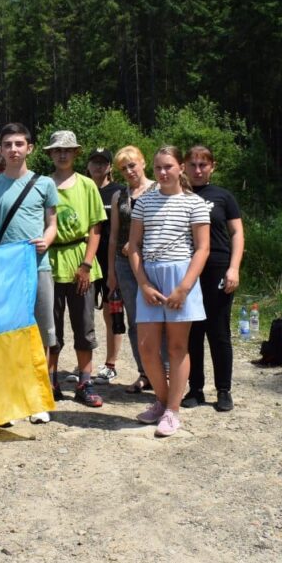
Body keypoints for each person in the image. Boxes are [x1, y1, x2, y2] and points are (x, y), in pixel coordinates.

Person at [0, 122, 58, 424]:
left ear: (30, 148)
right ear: (1, 149)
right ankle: (8, 401)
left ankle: (37, 399)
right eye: (8, 144)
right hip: (4, 271)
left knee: (41, 334)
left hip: (38, 267)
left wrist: (46, 240)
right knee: (6, 334)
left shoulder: (45, 184)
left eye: (19, 144)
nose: (13, 149)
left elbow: (52, 224)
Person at [128, 146, 211, 437]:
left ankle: (173, 411)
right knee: (147, 347)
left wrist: (184, 288)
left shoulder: (195, 203)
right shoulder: (144, 202)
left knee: (177, 348)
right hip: (150, 276)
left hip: (180, 277)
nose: (163, 173)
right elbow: (133, 246)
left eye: (168, 167)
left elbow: (202, 248)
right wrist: (144, 283)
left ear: (180, 168)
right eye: (158, 168)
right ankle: (162, 402)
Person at [44, 131, 107, 408]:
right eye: (57, 150)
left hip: (81, 258)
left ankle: (84, 382)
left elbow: (95, 228)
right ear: (50, 153)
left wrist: (86, 264)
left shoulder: (87, 185)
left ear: (76, 153)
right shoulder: (43, 185)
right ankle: (50, 382)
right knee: (51, 327)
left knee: (84, 326)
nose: (62, 154)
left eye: (67, 150)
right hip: (50, 261)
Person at [182, 145, 244, 412]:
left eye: (203, 165)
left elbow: (237, 233)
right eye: (193, 165)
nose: (197, 170)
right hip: (186, 269)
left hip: (218, 267)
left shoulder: (223, 196)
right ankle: (195, 388)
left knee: (218, 332)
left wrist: (234, 268)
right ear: (184, 166)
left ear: (212, 167)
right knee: (192, 332)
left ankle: (223, 390)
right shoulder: (178, 195)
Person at [105, 146, 158, 395]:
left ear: (143, 163)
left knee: (159, 318)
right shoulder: (120, 196)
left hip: (153, 261)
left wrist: (138, 243)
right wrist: (111, 272)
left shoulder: (160, 189)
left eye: (132, 165)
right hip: (124, 264)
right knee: (135, 320)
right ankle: (144, 372)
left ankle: (164, 372)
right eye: (123, 168)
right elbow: (114, 236)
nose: (129, 171)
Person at [86, 147, 125, 385]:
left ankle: (111, 364)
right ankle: (85, 365)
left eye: (103, 162)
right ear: (87, 165)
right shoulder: (82, 188)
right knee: (84, 314)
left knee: (112, 312)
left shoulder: (119, 192)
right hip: (87, 260)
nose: (98, 166)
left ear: (110, 166)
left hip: (112, 261)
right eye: (94, 162)